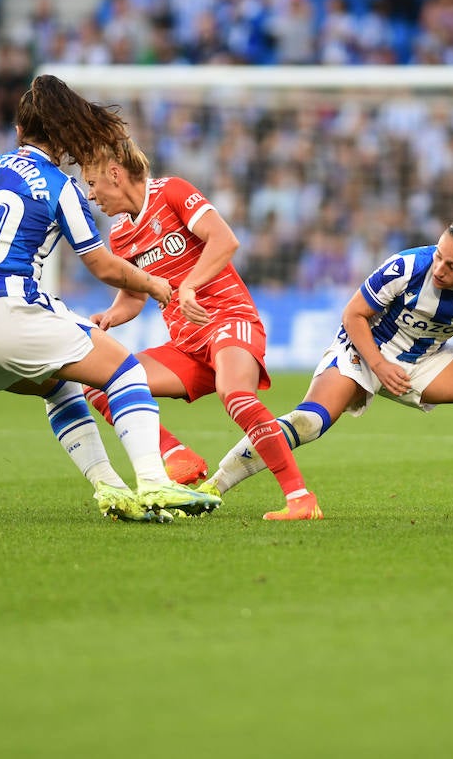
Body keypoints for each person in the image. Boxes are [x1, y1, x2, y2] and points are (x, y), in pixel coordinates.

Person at [0, 74, 221, 523]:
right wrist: (153, 284)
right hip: (6, 311)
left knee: (59, 386)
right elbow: (103, 266)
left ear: (19, 131)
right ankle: (154, 482)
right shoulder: (59, 185)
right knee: (125, 371)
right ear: (64, 134)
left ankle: (112, 489)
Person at [201, 211, 453, 520]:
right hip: (362, 349)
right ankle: (214, 486)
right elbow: (353, 314)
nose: (439, 269)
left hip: (423, 359)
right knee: (309, 422)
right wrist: (379, 364)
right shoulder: (407, 266)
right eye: (439, 256)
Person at [78, 140, 323, 520]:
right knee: (98, 382)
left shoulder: (172, 191)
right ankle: (178, 456)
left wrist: (189, 285)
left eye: (92, 184)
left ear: (115, 173)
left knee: (235, 394)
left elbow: (225, 240)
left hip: (229, 321)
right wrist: (111, 316)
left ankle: (300, 499)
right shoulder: (121, 233)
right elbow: (134, 295)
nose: (91, 195)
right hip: (186, 347)